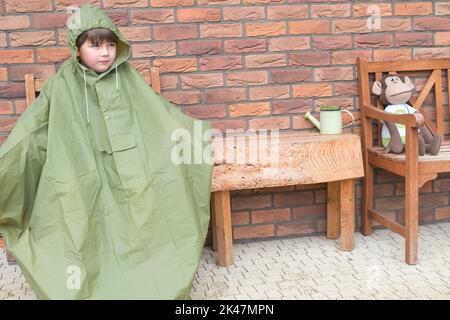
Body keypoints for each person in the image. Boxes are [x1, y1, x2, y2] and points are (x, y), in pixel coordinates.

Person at [0, 4, 212, 299]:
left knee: (154, 204)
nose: (105, 53)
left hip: (132, 170)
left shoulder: (127, 78)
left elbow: (157, 117)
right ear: (77, 48)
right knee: (73, 214)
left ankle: (150, 281)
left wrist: (197, 137)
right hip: (78, 170)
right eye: (95, 45)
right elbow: (32, 132)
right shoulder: (61, 85)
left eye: (111, 45)